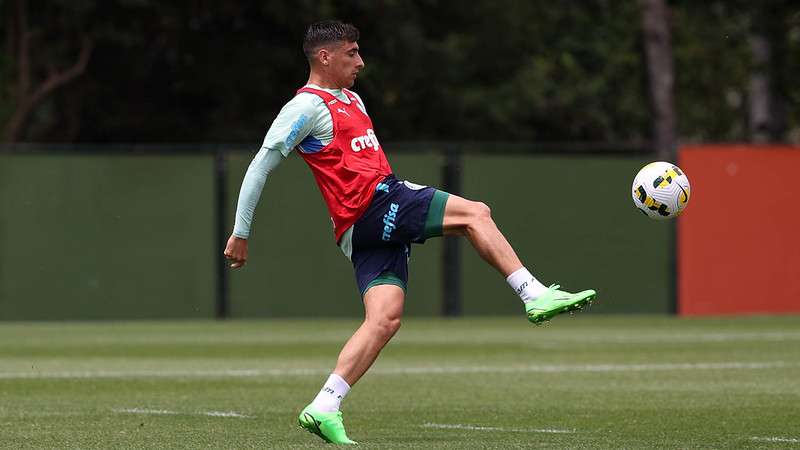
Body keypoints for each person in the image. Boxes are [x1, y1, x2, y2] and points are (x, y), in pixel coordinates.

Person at [224, 20, 596, 445]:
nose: (360, 62)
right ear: (324, 57)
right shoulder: (305, 107)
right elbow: (261, 163)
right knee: (476, 213)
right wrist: (241, 231)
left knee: (384, 320)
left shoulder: (353, 100)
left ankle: (324, 405)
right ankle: (534, 294)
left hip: (360, 226)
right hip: (375, 205)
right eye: (351, 53)